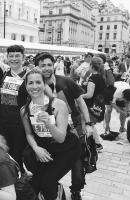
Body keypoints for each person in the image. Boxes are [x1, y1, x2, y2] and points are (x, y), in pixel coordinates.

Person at [33, 52, 93, 200]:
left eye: (49, 64)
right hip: (52, 133)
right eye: (42, 65)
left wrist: (89, 123)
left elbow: (81, 102)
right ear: (37, 67)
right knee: (53, 166)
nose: (46, 68)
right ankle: (52, 188)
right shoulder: (36, 86)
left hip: (74, 129)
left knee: (78, 165)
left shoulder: (66, 81)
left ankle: (76, 191)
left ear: (53, 65)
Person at [21, 68, 81, 200]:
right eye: (30, 83)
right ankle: (54, 191)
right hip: (45, 148)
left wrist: (48, 123)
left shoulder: (58, 105)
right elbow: (29, 134)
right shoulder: (24, 110)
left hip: (66, 148)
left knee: (47, 182)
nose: (34, 86)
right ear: (26, 86)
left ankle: (58, 194)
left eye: (38, 82)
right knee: (35, 183)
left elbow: (61, 138)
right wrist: (36, 149)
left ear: (44, 84)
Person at [0, 44, 28, 173]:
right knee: (4, 152)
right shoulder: (5, 73)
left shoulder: (28, 75)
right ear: (7, 58)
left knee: (17, 154)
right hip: (3, 121)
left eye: (17, 56)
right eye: (11, 56)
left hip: (20, 123)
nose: (14, 59)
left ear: (23, 58)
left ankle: (19, 182)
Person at [81, 57, 107, 150]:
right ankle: (96, 143)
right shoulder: (101, 76)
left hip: (92, 106)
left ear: (92, 66)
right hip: (99, 105)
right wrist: (86, 84)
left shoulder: (93, 78)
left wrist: (79, 96)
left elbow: (89, 95)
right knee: (90, 124)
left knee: (88, 123)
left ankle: (96, 144)